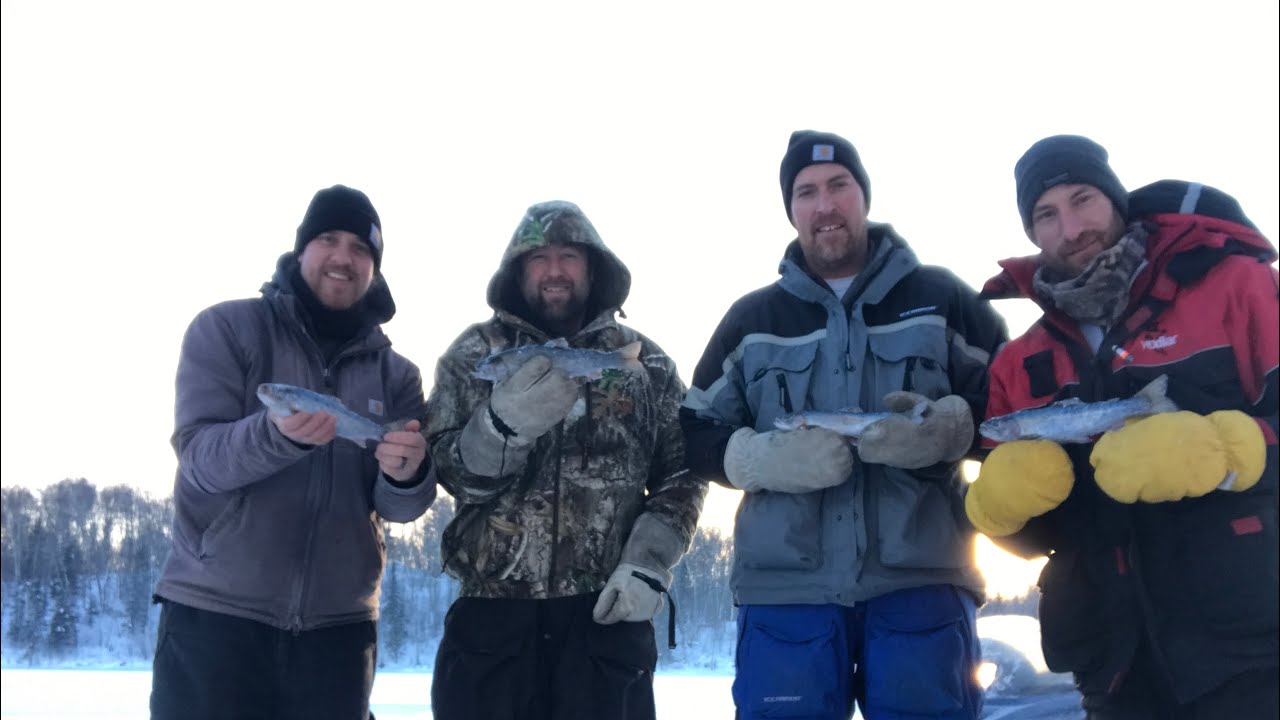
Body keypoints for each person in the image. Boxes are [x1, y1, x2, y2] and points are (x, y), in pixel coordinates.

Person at [681, 130, 1008, 720]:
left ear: (864, 196)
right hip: (786, 598)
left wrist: (950, 431)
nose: (824, 204)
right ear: (791, 210)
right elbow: (693, 432)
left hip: (923, 588)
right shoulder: (752, 320)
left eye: (839, 186)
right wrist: (754, 459)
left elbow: (1014, 414)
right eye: (806, 192)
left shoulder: (942, 299)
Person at [968, 134, 1279, 719]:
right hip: (1112, 669)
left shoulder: (1236, 287)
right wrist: (1002, 509)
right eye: (1046, 214)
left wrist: (1229, 450)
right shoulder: (1018, 362)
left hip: (1251, 652)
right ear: (1032, 233)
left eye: (1083, 199)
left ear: (1115, 200)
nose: (1071, 226)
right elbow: (1032, 538)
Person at [150, 185, 435, 720]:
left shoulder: (398, 375)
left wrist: (407, 474)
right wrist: (277, 434)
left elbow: (400, 510)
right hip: (216, 620)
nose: (343, 257)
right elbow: (201, 463)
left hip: (338, 634)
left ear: (374, 267)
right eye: (328, 239)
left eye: (361, 248)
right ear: (301, 249)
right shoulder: (228, 329)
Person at [424, 200, 706, 720]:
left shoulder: (647, 362)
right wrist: (500, 430)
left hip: (604, 618)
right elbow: (445, 470)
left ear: (593, 266)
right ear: (517, 270)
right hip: (493, 621)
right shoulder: (475, 355)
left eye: (569, 255)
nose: (554, 270)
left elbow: (685, 471)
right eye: (539, 257)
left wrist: (647, 564)